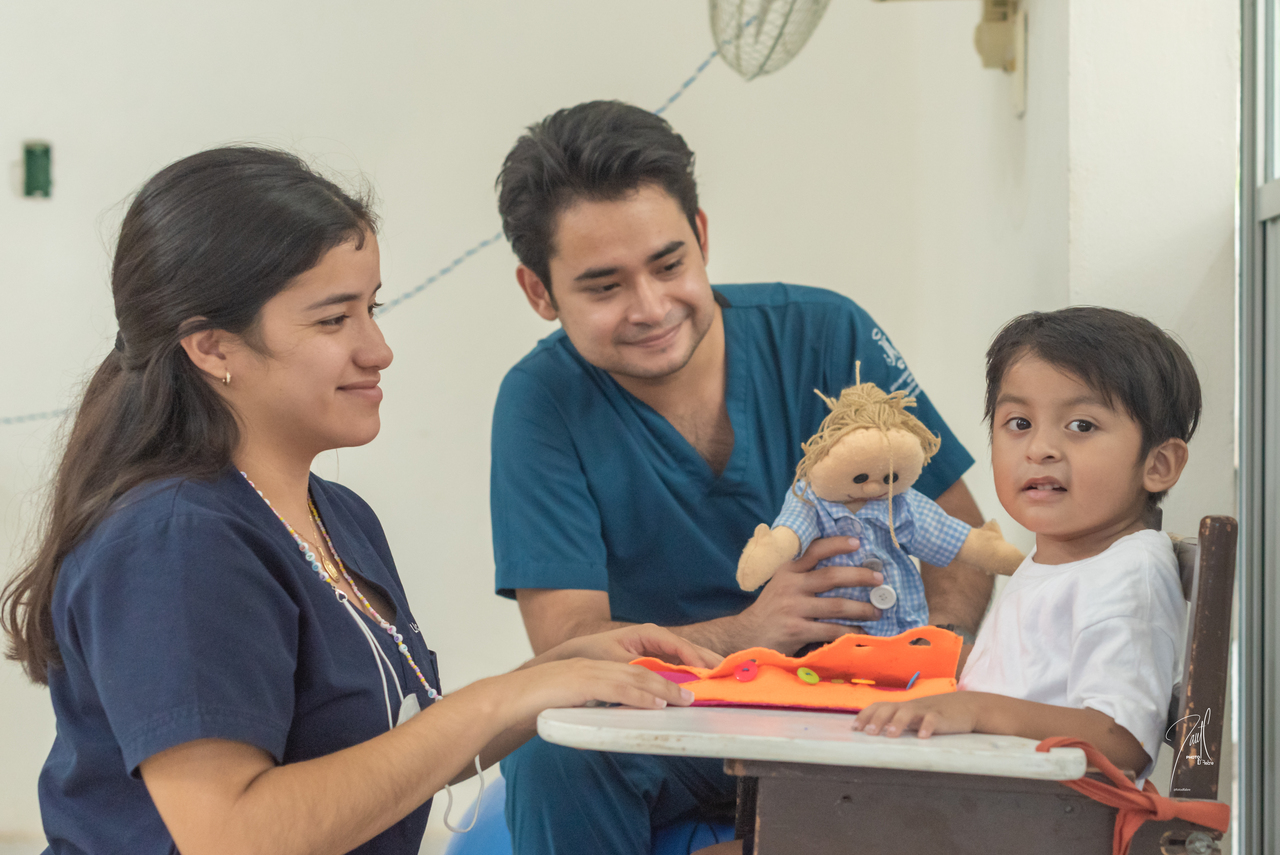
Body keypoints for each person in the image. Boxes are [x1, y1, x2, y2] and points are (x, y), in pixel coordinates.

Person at [0, 147, 720, 855]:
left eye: (371, 308)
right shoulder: (175, 541)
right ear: (214, 347)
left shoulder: (336, 516)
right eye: (333, 319)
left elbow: (391, 762)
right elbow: (232, 836)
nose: (378, 349)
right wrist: (496, 701)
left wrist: (551, 676)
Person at [490, 100, 994, 854]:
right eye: (604, 287)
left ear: (701, 235)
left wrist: (915, 666)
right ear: (539, 293)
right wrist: (748, 633)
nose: (652, 308)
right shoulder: (540, 402)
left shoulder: (829, 333)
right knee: (549, 754)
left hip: (859, 715)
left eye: (669, 264)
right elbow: (569, 641)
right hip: (673, 726)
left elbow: (958, 542)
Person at [853, 307, 1200, 782]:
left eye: (1081, 425)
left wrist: (975, 708)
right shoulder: (1055, 562)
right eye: (1019, 423)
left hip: (1045, 825)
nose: (1039, 448)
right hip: (997, 809)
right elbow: (1028, 681)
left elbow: (1122, 741)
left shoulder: (1129, 572)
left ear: (1158, 464)